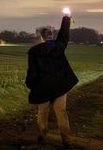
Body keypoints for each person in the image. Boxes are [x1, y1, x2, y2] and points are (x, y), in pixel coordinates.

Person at [25, 10, 78, 147]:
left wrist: (31, 85)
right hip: (60, 87)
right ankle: (67, 141)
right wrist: (66, 19)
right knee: (61, 113)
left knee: (42, 113)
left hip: (43, 88)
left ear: (41, 37)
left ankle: (42, 136)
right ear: (51, 36)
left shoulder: (34, 52)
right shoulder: (59, 47)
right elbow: (64, 35)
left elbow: (32, 73)